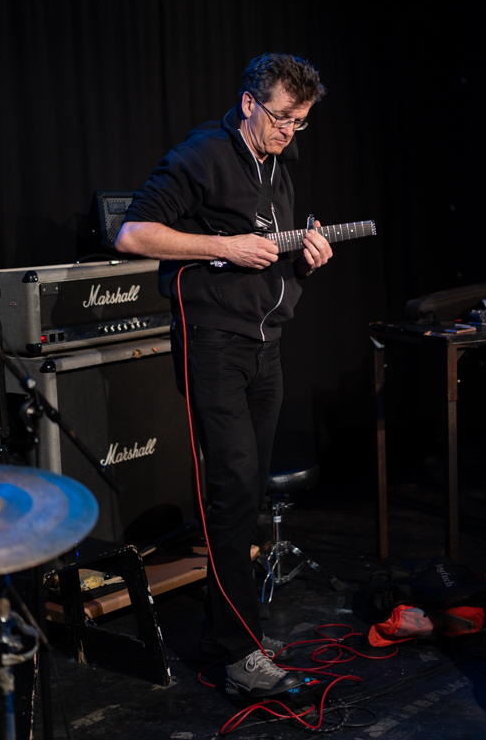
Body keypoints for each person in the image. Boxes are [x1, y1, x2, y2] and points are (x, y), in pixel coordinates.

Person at [115, 53, 333, 697]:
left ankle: (228, 634)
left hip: (267, 346)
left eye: (300, 121)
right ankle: (239, 654)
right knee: (232, 490)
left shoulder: (277, 161)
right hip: (213, 345)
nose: (289, 131)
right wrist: (222, 246)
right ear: (248, 103)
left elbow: (268, 256)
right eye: (282, 117)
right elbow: (131, 233)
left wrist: (306, 257)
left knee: (249, 492)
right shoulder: (203, 155)